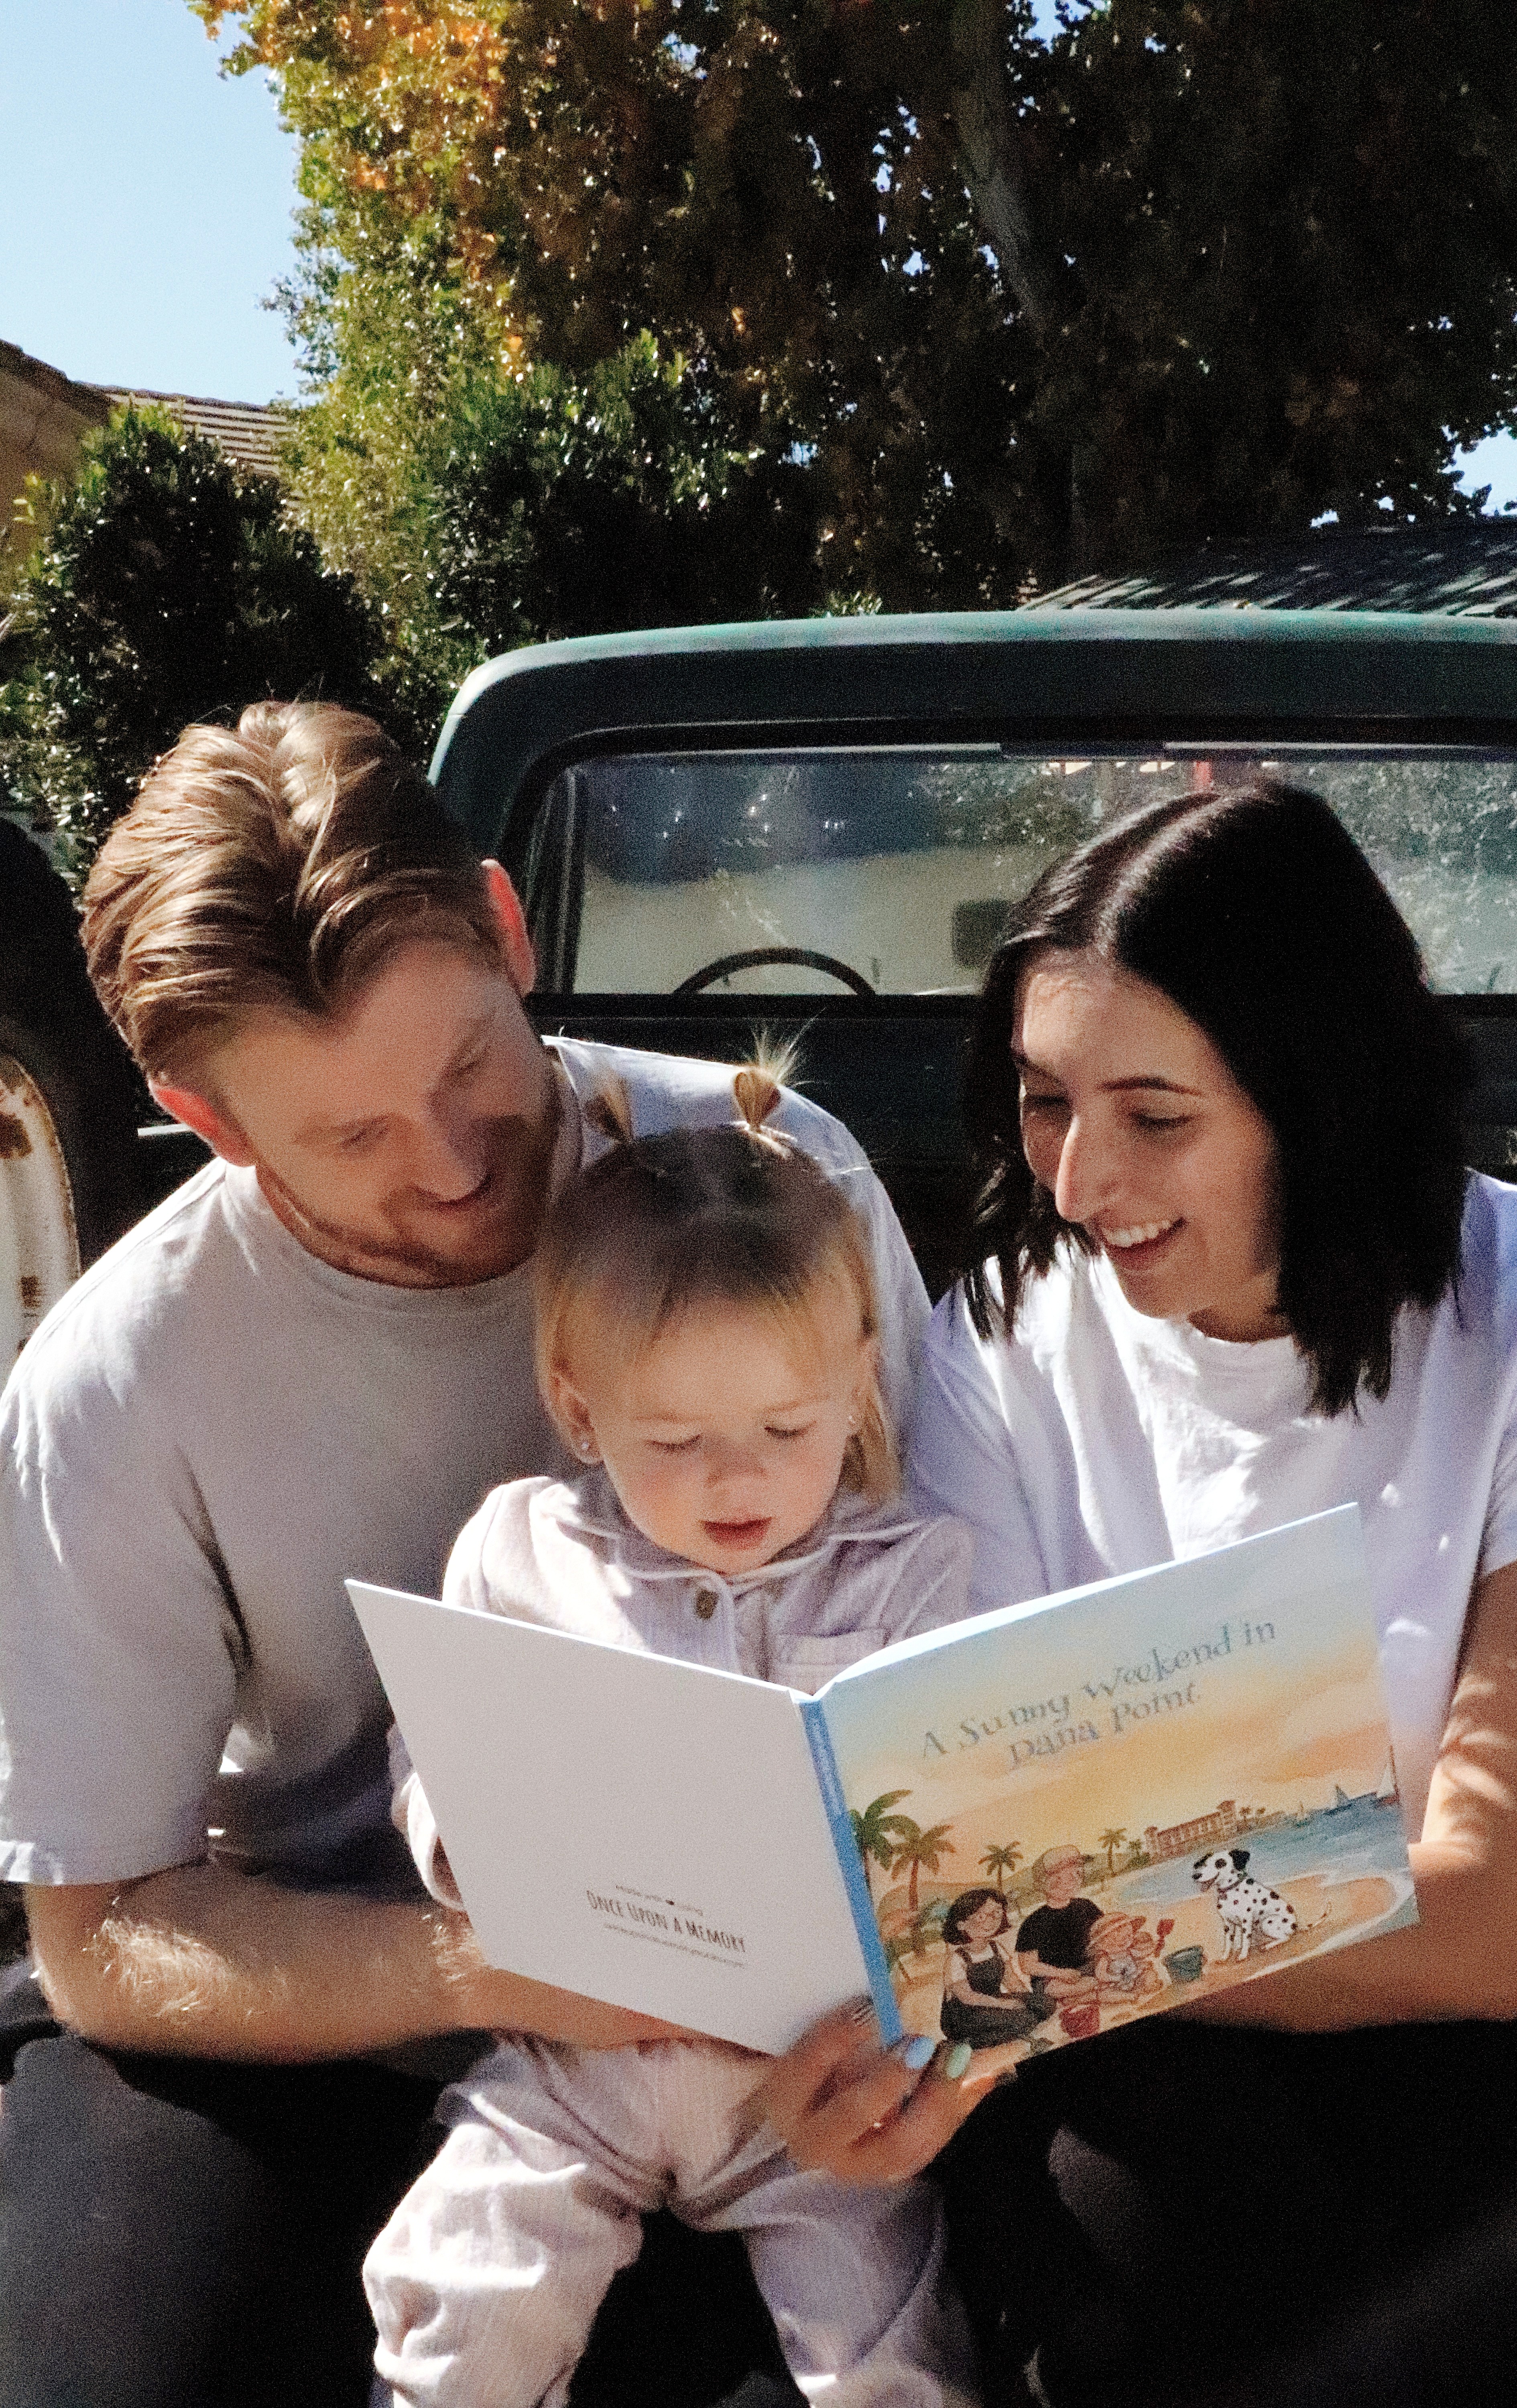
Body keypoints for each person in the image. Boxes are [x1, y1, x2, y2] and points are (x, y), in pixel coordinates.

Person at [0, 702, 935, 2408]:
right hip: (329, 1994)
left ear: (509, 931)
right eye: (350, 1138)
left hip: (799, 2018)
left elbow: (968, 1635)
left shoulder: (771, 1182)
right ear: (206, 1119)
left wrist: (931, 2027)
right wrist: (496, 1966)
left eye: (465, 1068)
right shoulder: (114, 1379)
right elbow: (100, 1934)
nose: (450, 1166)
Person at [761, 781, 1517, 2406]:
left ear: (1318, 1095)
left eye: (1155, 1117)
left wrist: (1016, 1941)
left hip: (1515, 2024)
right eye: (1040, 1101)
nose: (1078, 1183)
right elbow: (964, 1816)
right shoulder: (1005, 1332)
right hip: (1134, 2027)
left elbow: (1493, 1917)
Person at [364, 1072, 978, 2407]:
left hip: (811, 2084)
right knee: (465, 2279)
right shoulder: (522, 1553)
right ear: (580, 1413)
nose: (737, 1477)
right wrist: (463, 1835)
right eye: (675, 1438)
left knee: (889, 2344)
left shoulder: (920, 1579)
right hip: (580, 2061)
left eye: (786, 1429)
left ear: (858, 1381)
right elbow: (436, 1752)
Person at [937, 1891, 1053, 2052]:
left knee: (1044, 2004)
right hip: (966, 2014)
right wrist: (1004, 2004)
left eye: (996, 1914)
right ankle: (966, 2042)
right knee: (1022, 2019)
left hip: (994, 2001)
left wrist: (1028, 1999)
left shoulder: (996, 1947)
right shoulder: (957, 1959)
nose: (991, 1920)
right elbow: (968, 1997)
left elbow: (1011, 1981)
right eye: (982, 1915)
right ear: (961, 1924)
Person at [1011, 1849, 1105, 2042]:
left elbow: (1104, 1938)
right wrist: (1063, 1974)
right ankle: (1087, 1993)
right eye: (1069, 1872)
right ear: (1049, 1881)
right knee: (1056, 1989)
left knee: (1107, 1971)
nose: (1077, 1876)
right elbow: (1027, 1965)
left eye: (1078, 1870)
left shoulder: (1086, 1906)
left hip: (1088, 1969)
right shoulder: (1033, 1922)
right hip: (1053, 1979)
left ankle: (1082, 1996)